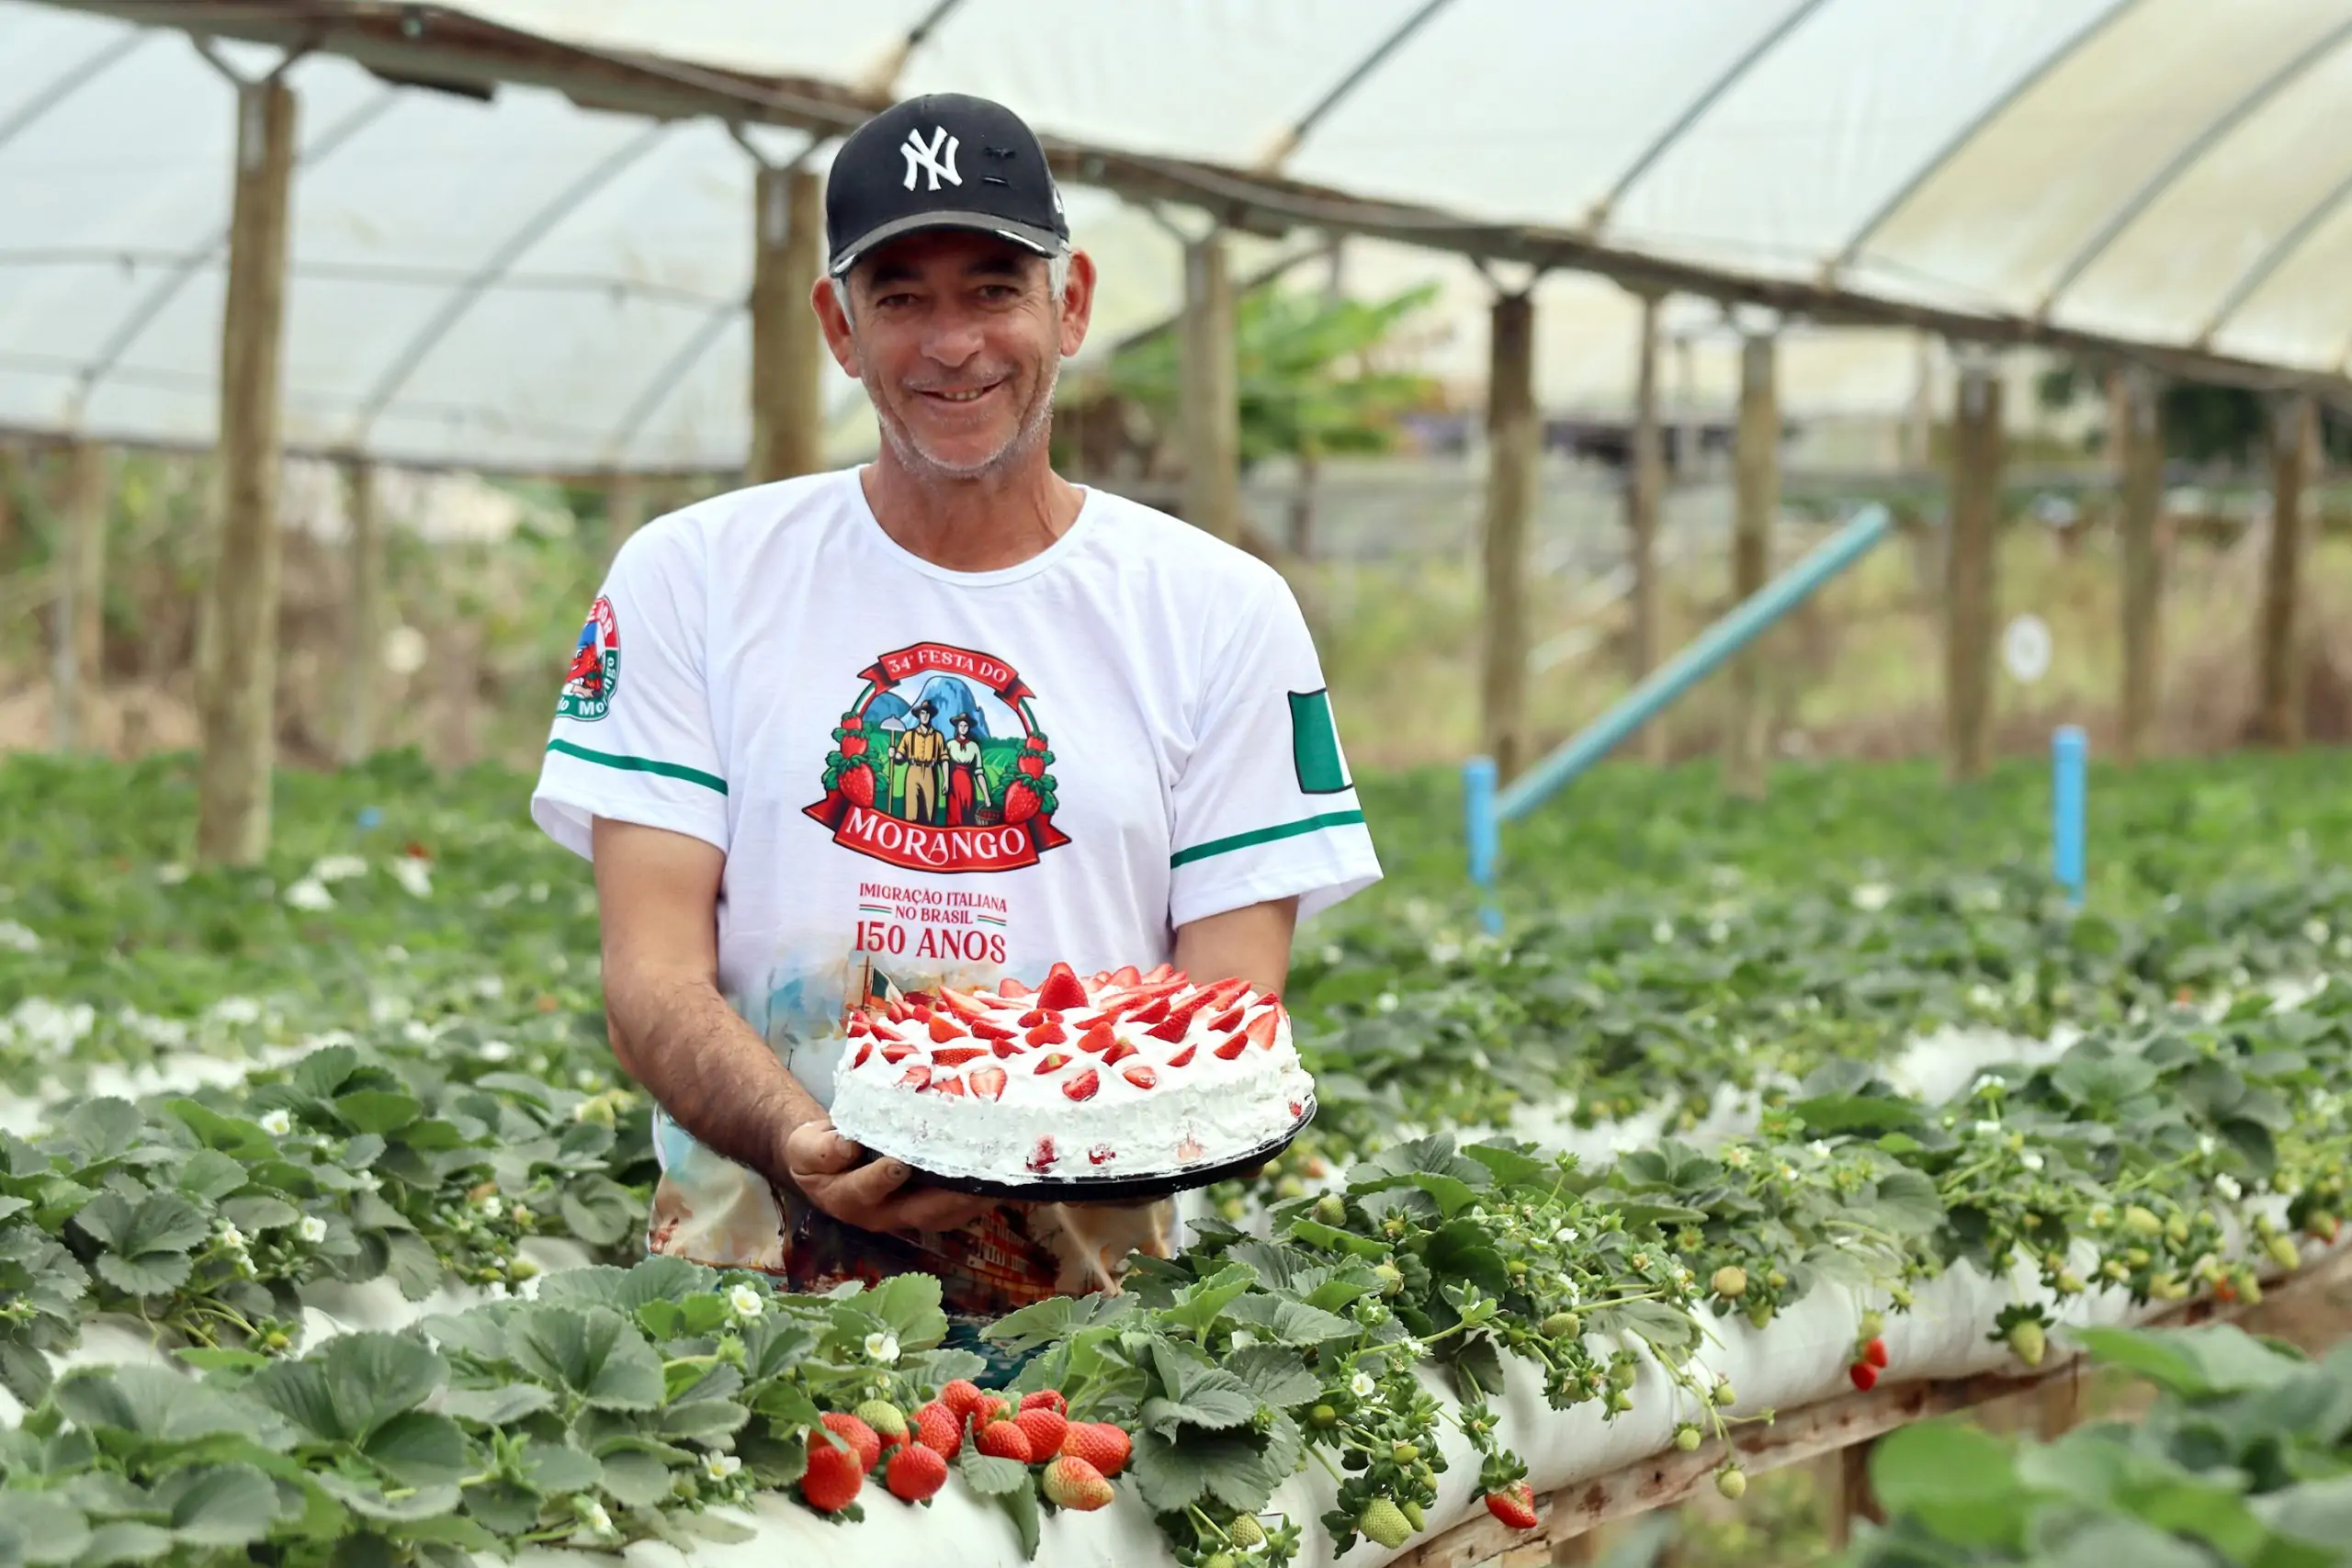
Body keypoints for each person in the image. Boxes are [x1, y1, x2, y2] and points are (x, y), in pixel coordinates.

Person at [530, 92, 1379, 1328]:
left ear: (1070, 304)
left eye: (993, 289)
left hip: (1098, 1328)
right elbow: (650, 970)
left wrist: (1022, 1141)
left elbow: (1223, 1017)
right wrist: (800, 1136)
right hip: (750, 1310)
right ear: (840, 327)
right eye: (901, 297)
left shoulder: (1217, 611)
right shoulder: (694, 577)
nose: (952, 343)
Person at [890, 701, 948, 824]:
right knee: (911, 812)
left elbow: (944, 759)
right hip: (913, 771)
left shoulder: (937, 736)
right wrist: (894, 755)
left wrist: (946, 779)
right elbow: (900, 756)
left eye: (928, 713)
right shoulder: (909, 735)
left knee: (929, 812)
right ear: (918, 715)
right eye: (923, 713)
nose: (925, 716)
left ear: (931, 716)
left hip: (930, 773)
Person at [943, 711, 991, 826]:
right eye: (961, 725)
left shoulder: (974, 747)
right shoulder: (950, 744)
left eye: (966, 726)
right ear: (957, 727)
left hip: (968, 784)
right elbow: (945, 762)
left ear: (969, 728)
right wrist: (946, 781)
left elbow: (979, 772)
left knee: (968, 812)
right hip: (953, 784)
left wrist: (986, 796)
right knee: (954, 813)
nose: (963, 728)